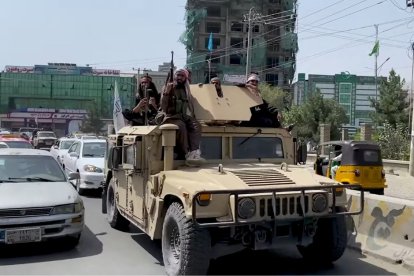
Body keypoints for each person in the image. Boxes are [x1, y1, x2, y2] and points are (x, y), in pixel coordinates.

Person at [159, 68, 204, 164]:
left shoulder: (186, 89)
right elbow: (164, 107)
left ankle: (194, 152)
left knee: (196, 125)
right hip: (170, 117)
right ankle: (186, 152)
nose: (179, 77)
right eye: (177, 75)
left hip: (183, 116)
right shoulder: (168, 88)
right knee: (181, 127)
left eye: (182, 76)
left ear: (185, 78)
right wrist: (166, 93)